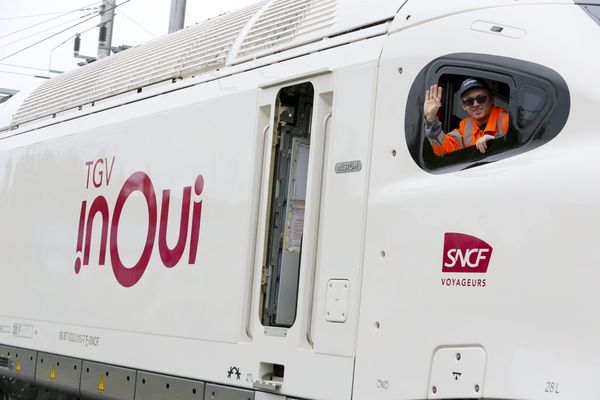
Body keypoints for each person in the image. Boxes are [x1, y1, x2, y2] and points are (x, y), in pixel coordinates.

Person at [423, 78, 509, 156]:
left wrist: (496, 143)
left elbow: (519, 155)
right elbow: (444, 150)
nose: (475, 104)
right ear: (463, 106)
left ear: (491, 99)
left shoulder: (507, 121)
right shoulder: (465, 126)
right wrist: (431, 119)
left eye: (481, 98)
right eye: (469, 101)